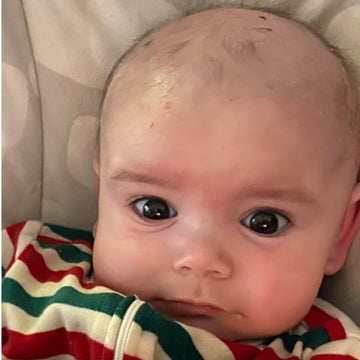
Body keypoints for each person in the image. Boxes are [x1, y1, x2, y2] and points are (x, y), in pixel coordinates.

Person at [3, 6, 360, 360]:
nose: (199, 259)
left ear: (340, 234)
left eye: (264, 222)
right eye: (153, 209)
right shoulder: (28, 261)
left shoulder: (325, 350)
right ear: (102, 199)